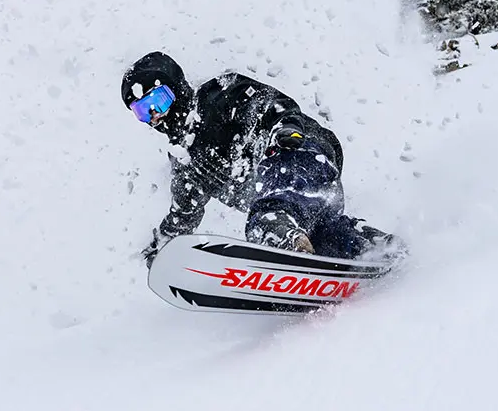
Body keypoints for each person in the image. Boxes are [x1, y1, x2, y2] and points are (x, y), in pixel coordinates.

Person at [121, 51, 405, 268]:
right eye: (143, 111)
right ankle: (374, 249)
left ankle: (285, 247)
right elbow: (185, 213)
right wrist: (164, 247)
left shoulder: (218, 96)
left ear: (177, 88)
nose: (156, 115)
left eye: (158, 101)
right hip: (297, 200)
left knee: (266, 217)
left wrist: (285, 128)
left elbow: (271, 105)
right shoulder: (185, 163)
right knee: (322, 232)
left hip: (297, 152)